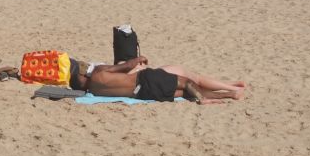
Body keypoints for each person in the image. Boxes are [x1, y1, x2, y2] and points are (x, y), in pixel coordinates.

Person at [68, 55, 245, 104]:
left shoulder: (95, 91)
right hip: (145, 80)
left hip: (142, 94)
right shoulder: (98, 72)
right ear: (84, 77)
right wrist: (139, 60)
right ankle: (211, 98)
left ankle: (230, 94)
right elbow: (126, 66)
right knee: (187, 83)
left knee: (184, 93)